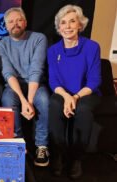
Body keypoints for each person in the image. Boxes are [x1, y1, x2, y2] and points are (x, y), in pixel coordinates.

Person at [47, 5, 101, 179]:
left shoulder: (92, 47)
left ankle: (76, 158)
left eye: (72, 21)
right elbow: (53, 80)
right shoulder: (53, 50)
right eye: (63, 23)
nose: (67, 26)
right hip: (62, 92)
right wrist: (66, 96)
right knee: (54, 104)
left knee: (83, 110)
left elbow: (94, 80)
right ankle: (58, 155)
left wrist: (76, 97)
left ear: (80, 25)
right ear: (59, 27)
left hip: (86, 93)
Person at [0, 7, 50, 167]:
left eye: (19, 20)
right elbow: (8, 73)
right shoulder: (1, 45)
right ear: (6, 27)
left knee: (45, 100)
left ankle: (42, 146)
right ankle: (18, 143)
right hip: (14, 85)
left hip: (35, 83)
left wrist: (30, 101)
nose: (15, 24)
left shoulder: (39, 38)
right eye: (10, 22)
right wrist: (23, 100)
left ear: (25, 22)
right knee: (7, 100)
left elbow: (36, 69)